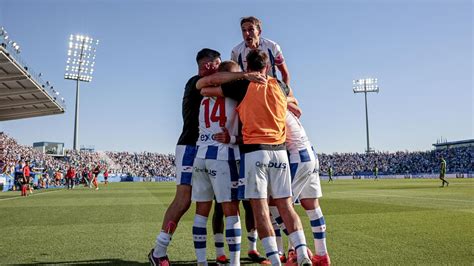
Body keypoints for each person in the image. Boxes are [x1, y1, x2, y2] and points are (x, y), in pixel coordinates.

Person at [201, 50, 311, 266]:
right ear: (267, 67)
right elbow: (294, 103)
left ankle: (275, 261)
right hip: (280, 152)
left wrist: (239, 77)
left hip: (255, 152)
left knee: (260, 208)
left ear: (247, 68)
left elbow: (205, 88)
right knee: (286, 206)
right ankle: (303, 254)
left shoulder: (243, 85)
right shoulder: (280, 86)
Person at [149, 48, 222, 266]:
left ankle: (205, 257)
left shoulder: (205, 82)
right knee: (183, 201)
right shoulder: (195, 82)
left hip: (202, 147)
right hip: (190, 147)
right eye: (218, 63)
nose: (220, 68)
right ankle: (158, 251)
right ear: (209, 65)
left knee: (203, 202)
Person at [191, 60, 260, 266]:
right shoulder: (237, 94)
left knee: (201, 213)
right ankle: (235, 262)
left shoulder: (202, 90)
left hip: (200, 154)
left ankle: (202, 263)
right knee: (231, 211)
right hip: (223, 155)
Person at [269, 111, 331, 265]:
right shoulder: (284, 103)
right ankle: (322, 255)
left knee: (277, 204)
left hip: (297, 155)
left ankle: (298, 251)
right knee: (310, 204)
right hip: (309, 153)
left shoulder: (272, 102)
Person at [231, 16, 301, 119]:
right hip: (251, 92)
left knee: (297, 111)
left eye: (251, 29)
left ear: (259, 31)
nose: (247, 34)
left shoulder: (272, 47)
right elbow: (233, 75)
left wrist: (282, 94)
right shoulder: (236, 52)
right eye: (244, 30)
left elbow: (285, 73)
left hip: (272, 90)